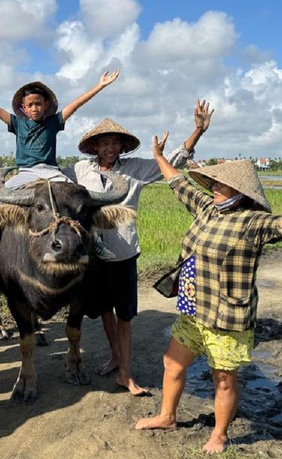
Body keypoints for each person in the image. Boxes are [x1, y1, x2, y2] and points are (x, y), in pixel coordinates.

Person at [135, 133, 282, 454]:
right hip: (193, 309)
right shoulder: (207, 209)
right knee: (172, 365)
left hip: (226, 317)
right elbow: (178, 183)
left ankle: (220, 434)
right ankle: (167, 416)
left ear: (238, 193)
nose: (213, 189)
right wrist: (158, 156)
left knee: (223, 380)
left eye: (220, 186)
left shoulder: (251, 222)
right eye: (213, 184)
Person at [73, 101, 214, 396]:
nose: (110, 148)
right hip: (93, 253)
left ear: (122, 147)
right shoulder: (80, 170)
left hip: (123, 251)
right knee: (104, 310)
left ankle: (125, 373)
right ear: (95, 147)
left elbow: (172, 162)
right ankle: (115, 356)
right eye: (105, 143)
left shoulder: (136, 169)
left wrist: (196, 132)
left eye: (115, 143)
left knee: (124, 314)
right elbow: (54, 182)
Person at [0, 71, 119, 190]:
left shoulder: (54, 121)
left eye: (38, 104)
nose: (35, 108)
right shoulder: (17, 123)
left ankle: (95, 239)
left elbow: (75, 104)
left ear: (46, 105)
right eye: (30, 105)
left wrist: (100, 86)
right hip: (25, 172)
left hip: (51, 172)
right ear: (24, 108)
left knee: (76, 197)